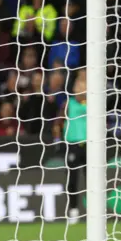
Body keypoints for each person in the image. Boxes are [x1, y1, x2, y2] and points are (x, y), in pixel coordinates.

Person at [53, 74, 87, 225]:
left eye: (83, 85)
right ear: (74, 88)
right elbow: (57, 122)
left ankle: (94, 211)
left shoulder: (94, 103)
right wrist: (57, 140)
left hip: (91, 145)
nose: (81, 88)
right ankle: (73, 210)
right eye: (78, 85)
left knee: (92, 180)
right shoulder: (69, 104)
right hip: (72, 144)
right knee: (72, 179)